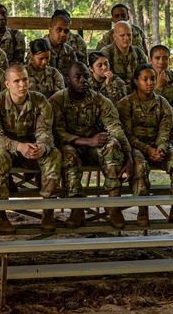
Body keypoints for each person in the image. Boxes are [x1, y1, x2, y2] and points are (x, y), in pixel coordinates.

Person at [49, 61, 133, 230]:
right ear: (67, 80)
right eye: (77, 77)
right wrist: (88, 141)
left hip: (93, 149)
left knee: (112, 144)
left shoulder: (99, 100)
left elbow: (115, 128)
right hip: (72, 146)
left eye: (86, 77)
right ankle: (77, 208)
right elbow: (57, 133)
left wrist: (129, 157)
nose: (83, 81)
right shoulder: (57, 100)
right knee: (67, 153)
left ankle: (114, 205)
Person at [0, 64, 61, 233]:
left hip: (31, 149)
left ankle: (48, 211)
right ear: (7, 84)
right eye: (16, 81)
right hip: (8, 149)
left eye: (25, 80)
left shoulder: (39, 100)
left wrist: (42, 146)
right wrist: (18, 146)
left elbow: (45, 131)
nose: (22, 85)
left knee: (53, 154)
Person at [117, 64, 173, 225]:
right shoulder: (125, 104)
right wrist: (146, 149)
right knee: (140, 165)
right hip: (136, 147)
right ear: (136, 81)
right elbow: (126, 135)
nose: (150, 83)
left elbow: (165, 130)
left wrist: (161, 149)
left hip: (159, 145)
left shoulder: (163, 104)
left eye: (152, 79)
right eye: (145, 79)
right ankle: (143, 210)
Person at [148, 44, 173, 134]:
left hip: (171, 118)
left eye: (165, 58)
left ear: (169, 61)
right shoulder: (143, 77)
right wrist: (158, 87)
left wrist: (170, 116)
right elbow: (143, 104)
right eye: (157, 58)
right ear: (150, 60)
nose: (161, 62)